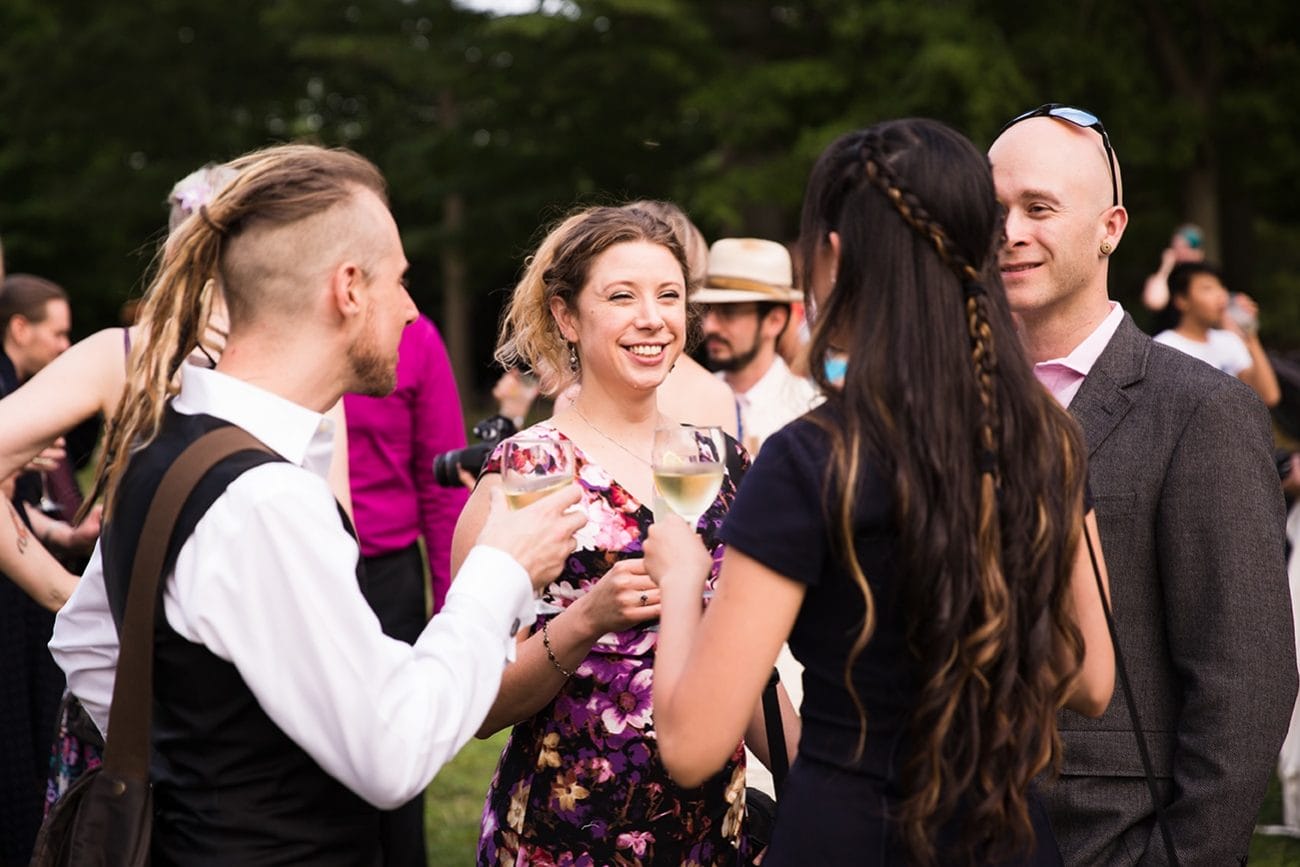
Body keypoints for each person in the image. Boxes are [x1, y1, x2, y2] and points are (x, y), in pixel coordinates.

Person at [48, 143, 586, 864]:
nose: (411, 309)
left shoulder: (163, 445)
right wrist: (499, 569)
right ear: (349, 289)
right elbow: (391, 755)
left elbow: (84, 646)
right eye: (400, 281)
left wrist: (210, 758)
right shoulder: (263, 499)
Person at [645, 118, 1115, 866]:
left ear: (831, 257)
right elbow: (1089, 678)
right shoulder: (1047, 438)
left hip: (852, 833)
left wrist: (678, 579)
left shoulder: (808, 459)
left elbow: (694, 744)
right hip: (1010, 836)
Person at [990, 103, 1295, 865]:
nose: (1010, 230)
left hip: (1109, 836)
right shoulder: (945, 401)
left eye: (1039, 207)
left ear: (1111, 229)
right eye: (991, 209)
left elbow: (1248, 677)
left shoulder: (1201, 409)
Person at [454, 204, 774, 865]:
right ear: (567, 315)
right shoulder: (527, 470)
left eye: (670, 296)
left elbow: (747, 667)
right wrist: (587, 618)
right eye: (621, 296)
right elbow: (476, 706)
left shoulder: (719, 458)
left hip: (712, 831)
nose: (652, 318)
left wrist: (836, 785)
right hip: (568, 832)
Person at [343, 311, 469, 865]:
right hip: (289, 561)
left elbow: (441, 483)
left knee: (394, 756)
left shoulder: (412, 333)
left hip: (386, 575)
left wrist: (450, 604)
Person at [695, 238, 820, 455]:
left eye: (729, 312)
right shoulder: (690, 399)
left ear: (774, 321)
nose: (709, 326)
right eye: (708, 310)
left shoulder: (809, 410)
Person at [1153, 261, 1281, 406]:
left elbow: (1268, 396)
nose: (1220, 295)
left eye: (1221, 287)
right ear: (1181, 300)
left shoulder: (1229, 341)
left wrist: (1251, 334)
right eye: (1208, 288)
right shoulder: (1163, 346)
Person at [1140, 223, 1204, 313]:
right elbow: (1154, 302)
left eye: (1183, 247)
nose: (1177, 251)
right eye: (1175, 247)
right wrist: (1165, 268)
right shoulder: (1166, 276)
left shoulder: (1205, 276)